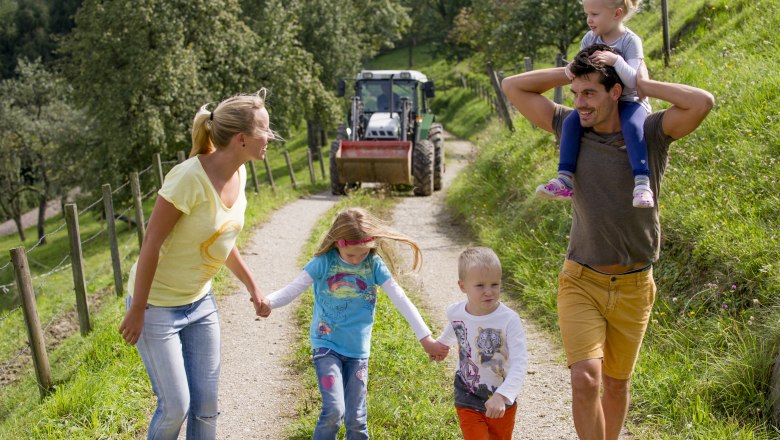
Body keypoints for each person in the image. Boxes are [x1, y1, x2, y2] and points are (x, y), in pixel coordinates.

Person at [501, 45, 713, 440]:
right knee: (585, 378)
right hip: (582, 278)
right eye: (576, 94)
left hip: (635, 284)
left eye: (590, 93)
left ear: (615, 93)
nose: (579, 103)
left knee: (616, 385)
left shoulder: (649, 133)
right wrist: (572, 73)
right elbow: (514, 87)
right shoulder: (568, 126)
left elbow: (702, 102)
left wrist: (640, 81)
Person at [119, 91, 275, 440]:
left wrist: (252, 287)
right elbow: (151, 245)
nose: (271, 136)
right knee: (176, 406)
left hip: (200, 304)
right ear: (242, 139)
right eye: (265, 129)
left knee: (206, 407)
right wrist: (138, 309)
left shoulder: (240, 175)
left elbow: (222, 240)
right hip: (157, 306)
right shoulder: (187, 178)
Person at [263, 207, 448, 440]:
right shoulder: (323, 262)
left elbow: (400, 299)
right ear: (337, 242)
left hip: (358, 351)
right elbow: (294, 288)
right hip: (326, 344)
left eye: (363, 253)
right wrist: (269, 302)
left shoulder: (373, 264)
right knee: (334, 410)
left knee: (357, 419)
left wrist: (426, 338)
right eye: (351, 255)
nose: (357, 260)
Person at [536, 0, 654, 208]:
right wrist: (570, 69)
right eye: (587, 14)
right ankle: (564, 179)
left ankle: (642, 183)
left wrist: (616, 61)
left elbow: (635, 83)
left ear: (617, 13)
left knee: (632, 126)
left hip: (629, 101)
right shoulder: (589, 38)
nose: (589, 20)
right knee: (571, 123)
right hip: (601, 101)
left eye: (594, 14)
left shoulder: (630, 41)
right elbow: (582, 71)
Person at [434, 247, 528, 440]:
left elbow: (520, 363)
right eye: (480, 286)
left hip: (500, 396)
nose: (488, 292)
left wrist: (503, 395)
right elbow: (455, 329)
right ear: (462, 286)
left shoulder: (509, 319)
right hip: (467, 393)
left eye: (494, 284)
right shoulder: (456, 312)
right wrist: (441, 346)